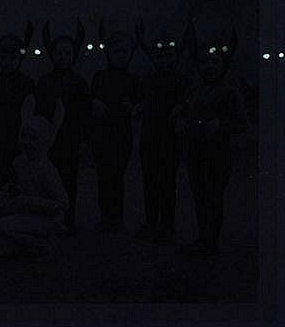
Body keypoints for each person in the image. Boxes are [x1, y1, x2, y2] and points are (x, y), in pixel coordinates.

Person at [177, 18, 249, 256]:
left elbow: (242, 124)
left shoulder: (230, 92)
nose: (209, 66)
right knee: (199, 197)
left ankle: (211, 243)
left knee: (213, 198)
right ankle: (203, 239)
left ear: (223, 63)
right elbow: (186, 111)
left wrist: (222, 125)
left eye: (214, 61)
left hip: (218, 156)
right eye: (204, 62)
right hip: (195, 154)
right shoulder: (195, 90)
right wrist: (180, 120)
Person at [0, 95, 68, 262]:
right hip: (28, 211)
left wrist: (29, 201)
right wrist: (8, 193)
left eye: (33, 138)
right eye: (24, 137)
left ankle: (42, 245)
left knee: (2, 227)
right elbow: (18, 186)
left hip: (46, 217)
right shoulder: (20, 162)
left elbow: (62, 203)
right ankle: (23, 244)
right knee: (0, 213)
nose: (27, 143)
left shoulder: (46, 169)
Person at [134, 20, 188, 244]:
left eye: (169, 56)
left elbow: (187, 102)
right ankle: (151, 223)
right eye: (160, 57)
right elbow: (142, 101)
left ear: (175, 57)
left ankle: (167, 225)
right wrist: (139, 107)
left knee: (167, 184)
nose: (164, 61)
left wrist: (181, 108)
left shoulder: (181, 80)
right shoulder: (148, 80)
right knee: (149, 182)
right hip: (149, 139)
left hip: (170, 141)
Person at [35, 20, 90, 235]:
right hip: (48, 141)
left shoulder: (79, 82)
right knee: (47, 181)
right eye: (59, 53)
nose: (63, 57)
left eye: (67, 53)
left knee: (69, 180)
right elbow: (39, 111)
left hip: (70, 140)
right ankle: (49, 219)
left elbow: (84, 113)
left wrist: (84, 139)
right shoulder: (44, 81)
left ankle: (68, 219)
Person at [90, 23, 141, 233]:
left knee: (117, 176)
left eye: (125, 51)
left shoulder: (133, 79)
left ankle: (116, 217)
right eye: (117, 51)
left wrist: (134, 106)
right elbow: (90, 98)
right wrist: (94, 102)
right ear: (109, 53)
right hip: (102, 135)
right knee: (104, 176)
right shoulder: (100, 77)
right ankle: (106, 216)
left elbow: (140, 104)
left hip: (122, 135)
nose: (121, 56)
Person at [0, 19, 35, 191]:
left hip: (21, 139)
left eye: (13, 58)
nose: (8, 62)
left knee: (21, 179)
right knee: (0, 178)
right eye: (4, 57)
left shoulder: (27, 83)